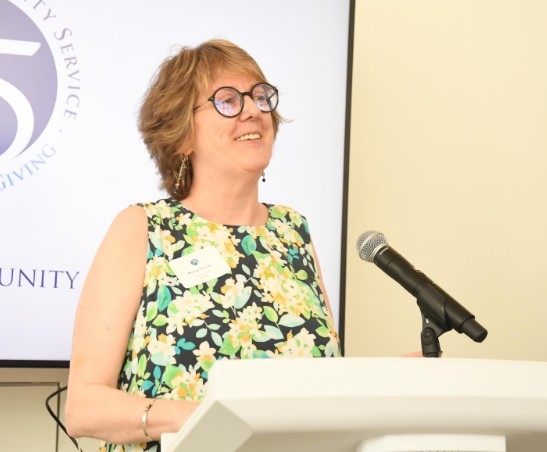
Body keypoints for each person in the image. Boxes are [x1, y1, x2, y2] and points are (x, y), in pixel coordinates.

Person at [65, 39, 341, 451]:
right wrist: (193, 418)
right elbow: (83, 408)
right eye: (228, 101)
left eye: (261, 97)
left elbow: (323, 384)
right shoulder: (144, 228)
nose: (254, 110)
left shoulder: (293, 232)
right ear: (182, 135)